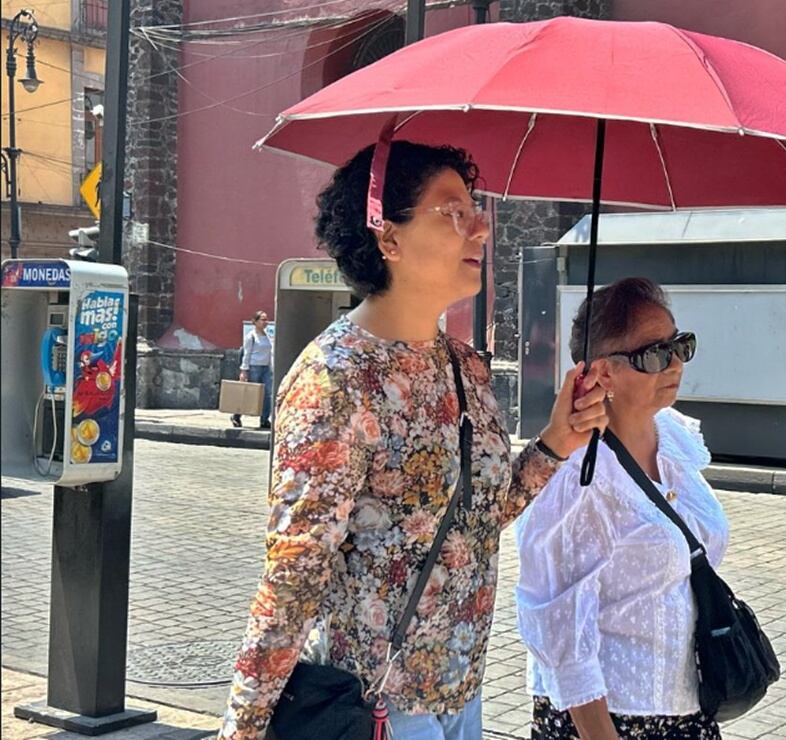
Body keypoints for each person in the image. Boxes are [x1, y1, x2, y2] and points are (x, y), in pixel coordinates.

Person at [218, 140, 608, 740]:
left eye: (476, 209)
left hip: (462, 693)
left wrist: (558, 440)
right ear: (388, 237)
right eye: (454, 212)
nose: (481, 228)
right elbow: (295, 575)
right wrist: (244, 726)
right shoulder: (336, 379)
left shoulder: (463, 366)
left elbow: (476, 519)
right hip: (374, 705)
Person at [514, 278, 729, 740]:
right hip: (611, 720)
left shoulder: (675, 439)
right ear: (603, 373)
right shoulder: (579, 472)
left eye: (680, 345)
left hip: (689, 709)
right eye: (654, 354)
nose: (675, 363)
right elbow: (558, 625)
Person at [232, 310, 273, 429]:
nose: (265, 322)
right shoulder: (251, 336)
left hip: (266, 368)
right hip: (254, 367)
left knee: (267, 394)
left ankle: (264, 419)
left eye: (266, 319)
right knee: (249, 394)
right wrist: (244, 370)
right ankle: (236, 415)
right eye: (263, 320)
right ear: (255, 321)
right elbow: (246, 354)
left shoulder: (267, 336)